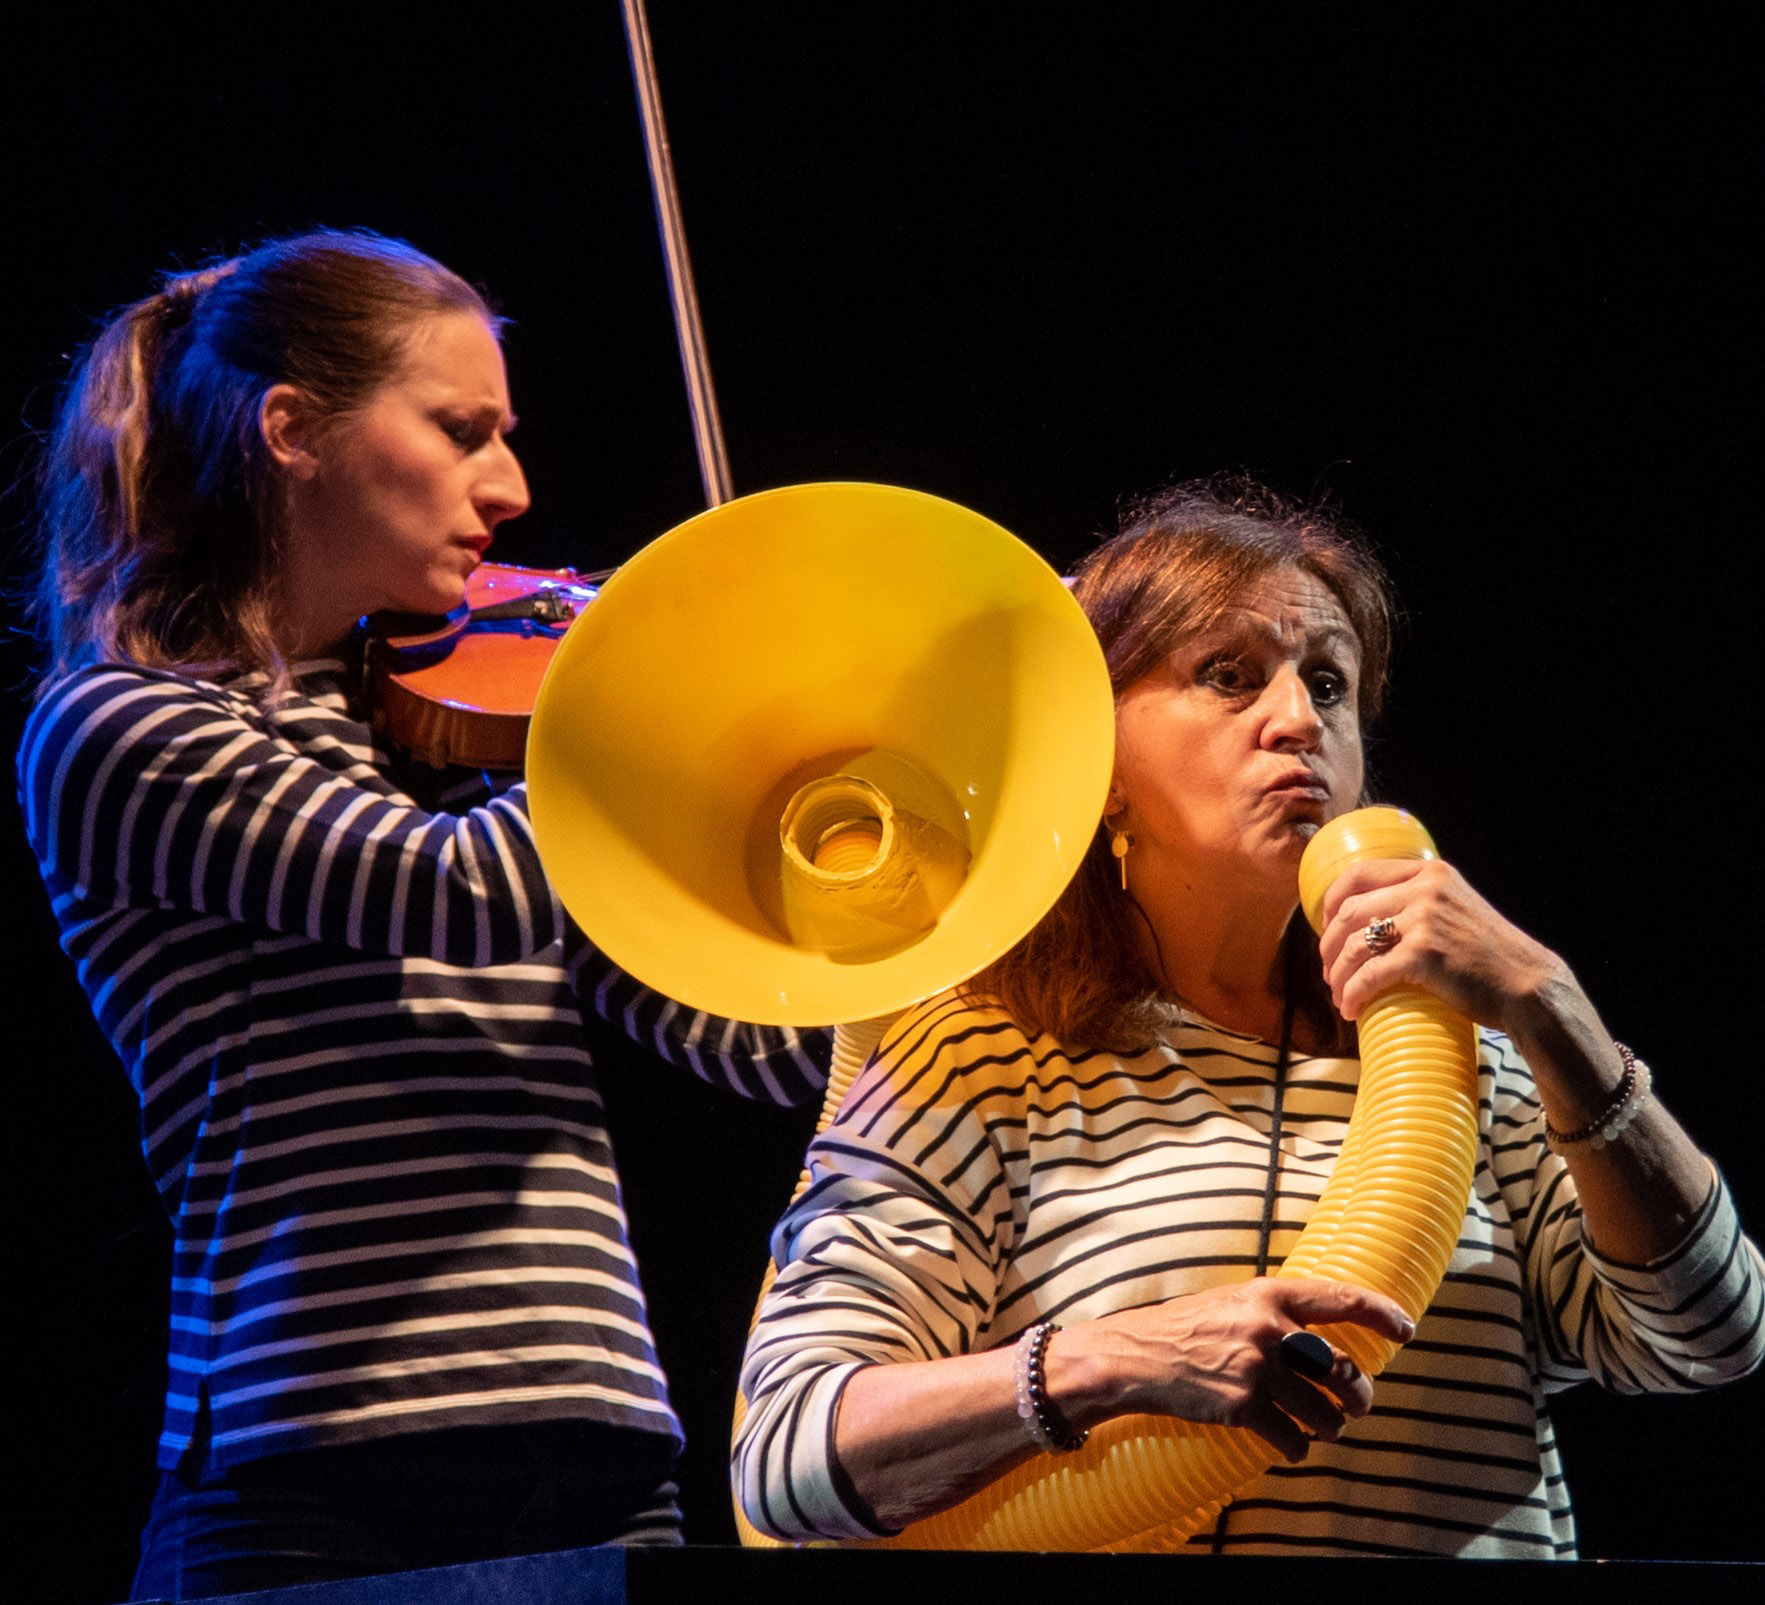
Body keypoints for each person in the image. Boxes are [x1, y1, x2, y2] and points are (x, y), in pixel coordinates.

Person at [733, 479, 1765, 1556]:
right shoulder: (983, 1063)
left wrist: (1555, 1015)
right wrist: (1109, 1360)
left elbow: (1707, 1340)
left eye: (1328, 683)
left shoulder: (1474, 1069)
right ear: (1102, 771)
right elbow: (787, 1457)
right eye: (1224, 677)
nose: (1297, 721)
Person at [16, 230, 827, 1599]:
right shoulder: (119, 725)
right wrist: (672, 693)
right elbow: (449, 893)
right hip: (318, 1465)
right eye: (459, 432)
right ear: (293, 430)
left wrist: (880, 884)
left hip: (599, 1440)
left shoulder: (454, 746)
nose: (507, 488)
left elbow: (739, 1039)